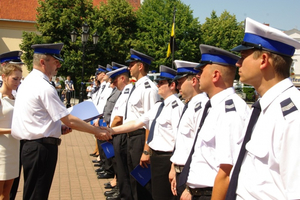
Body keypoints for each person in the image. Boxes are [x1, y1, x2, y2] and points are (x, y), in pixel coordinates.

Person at [11, 43, 111, 200]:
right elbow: (69, 119)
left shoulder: (29, 81)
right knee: (37, 194)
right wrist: (96, 131)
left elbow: (39, 117)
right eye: (55, 61)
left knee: (33, 193)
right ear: (43, 62)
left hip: (32, 146)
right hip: (40, 148)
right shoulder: (43, 86)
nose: (59, 65)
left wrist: (59, 127)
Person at [225, 18, 300, 200]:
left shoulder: (291, 115)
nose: (237, 64)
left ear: (264, 60)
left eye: (243, 57)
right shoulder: (264, 108)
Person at [178, 44, 250, 200]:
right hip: (198, 192)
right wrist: (190, 189)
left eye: (201, 71)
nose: (196, 76)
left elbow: (226, 171)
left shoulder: (230, 110)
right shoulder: (213, 107)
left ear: (215, 75)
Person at [104, 65, 184, 200]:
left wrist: (173, 167)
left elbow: (179, 140)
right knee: (155, 194)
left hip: (166, 158)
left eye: (162, 83)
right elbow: (136, 123)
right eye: (158, 82)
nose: (158, 85)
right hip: (156, 157)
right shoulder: (160, 106)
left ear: (172, 85)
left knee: (163, 195)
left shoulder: (176, 107)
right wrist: (111, 130)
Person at [168, 60, 209, 199]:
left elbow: (198, 148)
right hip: (181, 172)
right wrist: (174, 167)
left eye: (180, 82)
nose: (177, 86)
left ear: (193, 81)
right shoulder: (190, 105)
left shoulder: (202, 106)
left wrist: (189, 186)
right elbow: (182, 144)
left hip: (189, 174)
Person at [123, 49, 159, 200]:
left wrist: (146, 150)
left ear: (140, 66)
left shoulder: (149, 89)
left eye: (131, 65)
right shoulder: (135, 87)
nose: (129, 68)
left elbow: (151, 121)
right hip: (131, 137)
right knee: (134, 180)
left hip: (140, 138)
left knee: (143, 183)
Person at [0, 63, 22, 200]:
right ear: (4, 77)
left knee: (7, 194)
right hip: (1, 149)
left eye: (20, 79)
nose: (18, 82)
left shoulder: (16, 98)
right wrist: (14, 130)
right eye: (15, 79)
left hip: (14, 147)